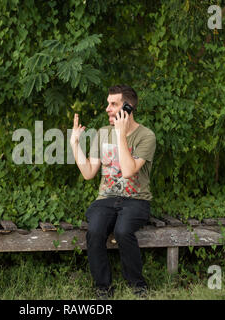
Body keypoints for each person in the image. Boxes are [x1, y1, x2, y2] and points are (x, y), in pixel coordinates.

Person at [70, 85, 156, 299]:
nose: (107, 108)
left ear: (128, 108)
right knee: (95, 231)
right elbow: (89, 172)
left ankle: (137, 285)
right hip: (106, 199)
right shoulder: (102, 133)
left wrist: (120, 135)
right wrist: (74, 144)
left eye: (113, 104)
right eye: (108, 103)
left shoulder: (146, 136)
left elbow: (128, 171)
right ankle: (103, 288)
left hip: (136, 200)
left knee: (123, 230)